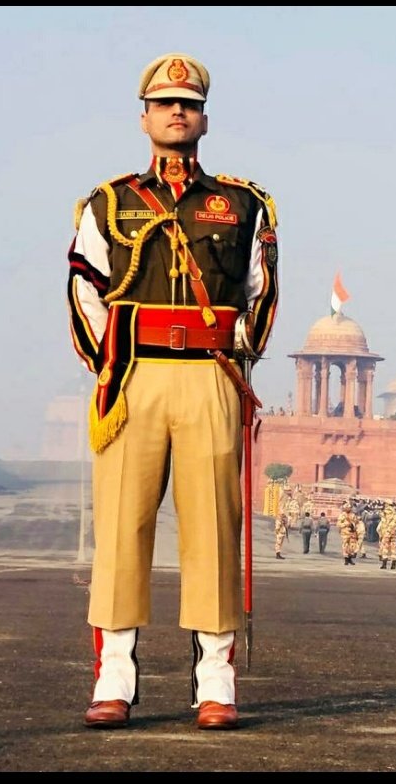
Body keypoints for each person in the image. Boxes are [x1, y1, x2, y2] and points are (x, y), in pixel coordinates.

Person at [68, 53, 279, 731]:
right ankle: (115, 678)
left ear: (204, 118)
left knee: (214, 530)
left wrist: (238, 354)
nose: (177, 111)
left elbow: (259, 292)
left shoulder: (242, 203)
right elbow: (84, 290)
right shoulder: (109, 202)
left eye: (187, 102)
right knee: (122, 531)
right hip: (133, 377)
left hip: (211, 377)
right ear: (145, 118)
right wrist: (110, 364)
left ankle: (215, 680)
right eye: (164, 103)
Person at [377, 499, 396, 569]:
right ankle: (393, 563)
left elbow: (383, 522)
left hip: (387, 532)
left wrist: (385, 531)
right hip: (394, 532)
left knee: (385, 546)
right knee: (393, 547)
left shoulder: (386, 512)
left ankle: (384, 563)